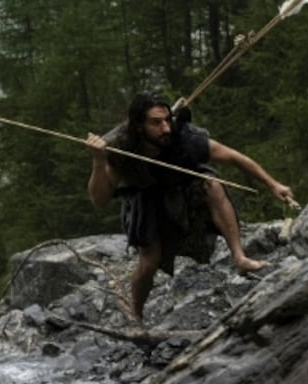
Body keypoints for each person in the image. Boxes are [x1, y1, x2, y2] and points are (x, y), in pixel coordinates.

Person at [85, 92, 295, 323]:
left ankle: (239, 257)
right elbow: (99, 200)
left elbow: (233, 157)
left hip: (183, 193)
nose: (165, 128)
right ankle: (136, 313)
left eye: (167, 120)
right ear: (138, 127)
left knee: (212, 185)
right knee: (149, 262)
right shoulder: (121, 148)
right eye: (156, 123)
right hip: (146, 202)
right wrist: (98, 161)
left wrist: (273, 184)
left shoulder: (184, 137)